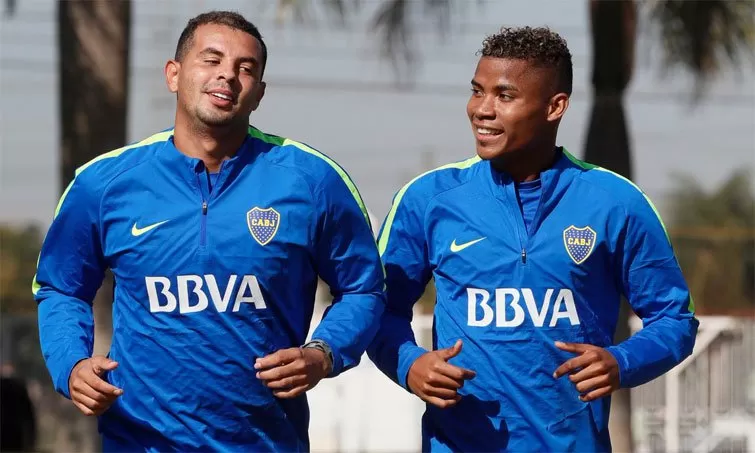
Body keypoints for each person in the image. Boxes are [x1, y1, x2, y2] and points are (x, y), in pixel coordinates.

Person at [34, 10, 385, 452]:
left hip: (267, 442)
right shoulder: (102, 184)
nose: (228, 76)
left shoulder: (312, 181)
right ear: (174, 74)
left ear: (258, 94)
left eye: (246, 68)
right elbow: (60, 288)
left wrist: (323, 354)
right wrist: (72, 364)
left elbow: (365, 290)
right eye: (212, 59)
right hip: (139, 440)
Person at [367, 26, 698, 452]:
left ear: (554, 106)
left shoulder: (616, 202)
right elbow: (373, 306)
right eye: (476, 91)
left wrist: (622, 361)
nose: (481, 110)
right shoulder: (429, 199)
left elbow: (675, 320)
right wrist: (410, 364)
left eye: (504, 96)